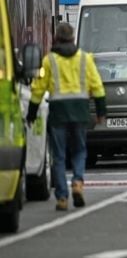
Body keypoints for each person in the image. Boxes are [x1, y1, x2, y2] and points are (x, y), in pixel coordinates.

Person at [26, 23, 107, 211]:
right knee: (79, 150)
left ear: (56, 39)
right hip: (79, 112)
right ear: (72, 38)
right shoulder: (85, 59)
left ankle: (62, 197)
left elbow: (38, 88)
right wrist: (101, 112)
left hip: (58, 113)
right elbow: (97, 86)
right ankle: (78, 182)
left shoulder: (49, 60)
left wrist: (31, 112)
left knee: (59, 156)